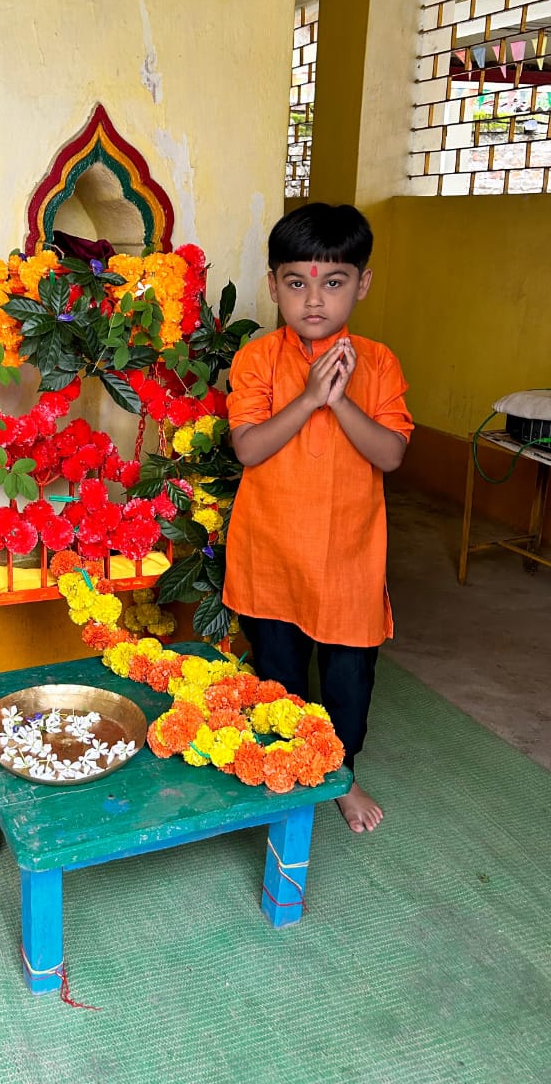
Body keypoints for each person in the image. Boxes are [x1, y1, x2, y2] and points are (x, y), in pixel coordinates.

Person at [222, 203, 413, 834]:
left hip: (349, 558)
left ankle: (342, 775)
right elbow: (249, 448)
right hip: (271, 550)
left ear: (363, 283)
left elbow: (389, 454)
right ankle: (285, 773)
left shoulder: (378, 363)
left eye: (333, 282)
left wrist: (340, 403)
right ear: (273, 284)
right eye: (296, 282)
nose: (313, 300)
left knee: (348, 682)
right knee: (277, 677)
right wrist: (308, 399)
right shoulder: (256, 360)